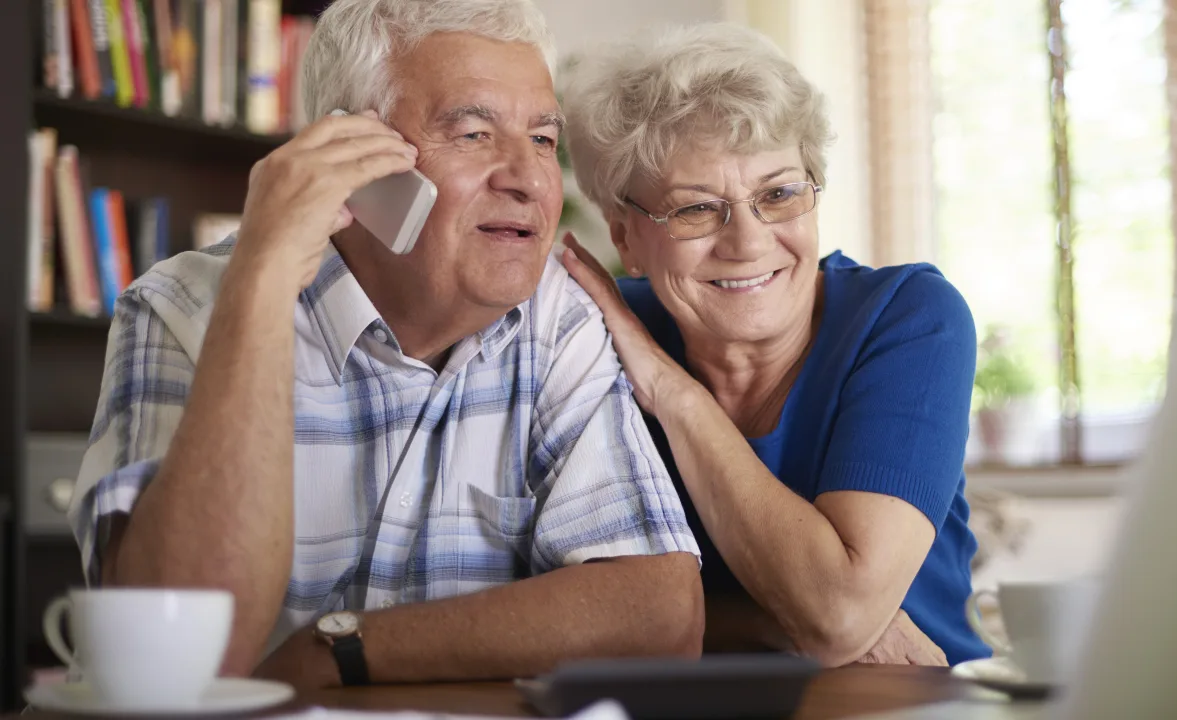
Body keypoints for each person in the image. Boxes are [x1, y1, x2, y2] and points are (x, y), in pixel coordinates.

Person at [68, 0, 702, 690]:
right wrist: (261, 285)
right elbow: (175, 661)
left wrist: (339, 648)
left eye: (544, 140)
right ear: (352, 158)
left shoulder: (556, 319)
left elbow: (660, 616)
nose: (528, 178)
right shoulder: (182, 309)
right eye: (473, 134)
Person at [560, 22, 989, 666]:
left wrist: (676, 394)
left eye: (779, 194)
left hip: (913, 700)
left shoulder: (908, 318)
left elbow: (837, 615)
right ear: (625, 239)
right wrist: (771, 623)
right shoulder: (595, 335)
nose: (748, 242)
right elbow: (546, 596)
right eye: (695, 208)